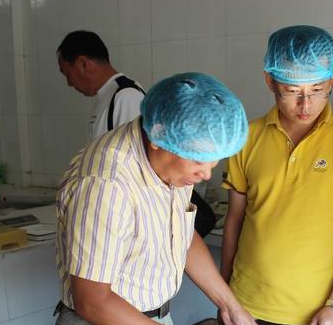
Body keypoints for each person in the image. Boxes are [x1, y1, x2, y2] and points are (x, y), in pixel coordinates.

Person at [53, 72, 264, 325]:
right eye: (198, 161)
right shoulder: (106, 183)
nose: (205, 174)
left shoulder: (172, 162)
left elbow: (183, 234)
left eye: (213, 162)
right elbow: (93, 300)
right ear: (157, 138)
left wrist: (229, 305)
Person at [221, 25, 333, 325]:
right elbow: (234, 220)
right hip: (246, 307)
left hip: (318, 316)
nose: (306, 105)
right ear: (270, 81)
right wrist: (224, 298)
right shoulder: (247, 138)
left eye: (317, 90)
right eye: (292, 92)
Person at [57, 30, 216, 236]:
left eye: (66, 73)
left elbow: (141, 163)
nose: (69, 83)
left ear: (83, 63)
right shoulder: (108, 97)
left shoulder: (125, 96)